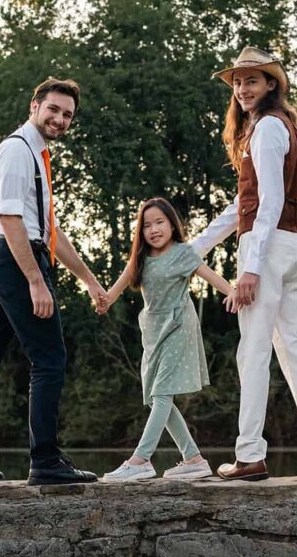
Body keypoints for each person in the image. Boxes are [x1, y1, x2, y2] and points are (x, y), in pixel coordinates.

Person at [0, 77, 106, 486]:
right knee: (49, 358)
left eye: (67, 115)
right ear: (35, 106)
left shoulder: (37, 154)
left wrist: (88, 279)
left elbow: (49, 231)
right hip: (14, 260)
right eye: (54, 109)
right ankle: (46, 461)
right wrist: (35, 280)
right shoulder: (17, 149)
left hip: (5, 260)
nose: (60, 119)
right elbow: (10, 218)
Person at [192, 46, 297, 481]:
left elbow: (268, 203)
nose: (242, 89)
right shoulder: (275, 126)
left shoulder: (268, 128)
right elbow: (245, 202)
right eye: (238, 82)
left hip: (268, 247)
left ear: (271, 83)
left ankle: (250, 455)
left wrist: (251, 268)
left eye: (251, 80)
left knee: (253, 352)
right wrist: (196, 247)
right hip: (289, 245)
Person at [98, 198, 237, 482]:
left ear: (172, 225)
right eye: (147, 225)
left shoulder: (183, 254)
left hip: (178, 325)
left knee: (162, 393)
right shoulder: (140, 258)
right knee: (154, 398)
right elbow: (117, 287)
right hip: (152, 331)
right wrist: (105, 300)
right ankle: (193, 459)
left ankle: (140, 460)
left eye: (160, 222)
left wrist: (233, 292)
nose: (154, 229)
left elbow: (211, 277)